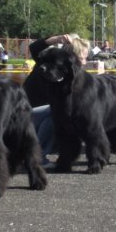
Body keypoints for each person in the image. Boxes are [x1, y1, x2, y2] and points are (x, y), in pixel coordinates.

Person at [24, 34, 90, 168]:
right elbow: (35, 48)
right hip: (28, 110)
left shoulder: (67, 71)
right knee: (55, 114)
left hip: (37, 112)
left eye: (86, 58)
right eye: (82, 58)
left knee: (61, 113)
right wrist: (56, 39)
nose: (84, 62)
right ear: (71, 57)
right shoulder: (48, 65)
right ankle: (38, 157)